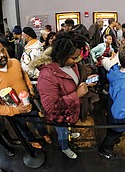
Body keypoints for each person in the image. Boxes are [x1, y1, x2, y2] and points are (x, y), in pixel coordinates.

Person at [0, 40, 49, 149]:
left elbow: (24, 75)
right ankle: (31, 141)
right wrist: (18, 110)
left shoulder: (15, 62)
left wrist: (30, 88)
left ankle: (44, 134)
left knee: (38, 122)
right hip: (14, 111)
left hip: (29, 102)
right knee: (22, 128)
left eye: (3, 50)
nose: (3, 54)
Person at [36, 31, 90, 159]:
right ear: (61, 54)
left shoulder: (71, 64)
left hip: (70, 112)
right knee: (62, 133)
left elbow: (71, 80)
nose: (76, 60)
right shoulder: (47, 75)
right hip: (59, 117)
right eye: (73, 57)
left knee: (67, 128)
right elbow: (51, 107)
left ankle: (69, 134)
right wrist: (76, 94)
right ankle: (65, 147)